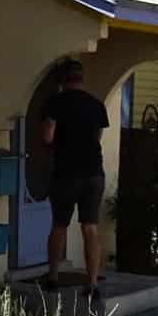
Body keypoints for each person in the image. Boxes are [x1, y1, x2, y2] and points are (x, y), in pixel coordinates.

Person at [41, 59, 108, 292]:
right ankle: (92, 282)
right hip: (94, 172)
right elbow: (97, 137)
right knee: (90, 227)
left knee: (59, 224)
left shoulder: (55, 103)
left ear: (62, 80)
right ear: (81, 79)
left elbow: (48, 136)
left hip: (66, 173)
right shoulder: (96, 105)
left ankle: (53, 277)